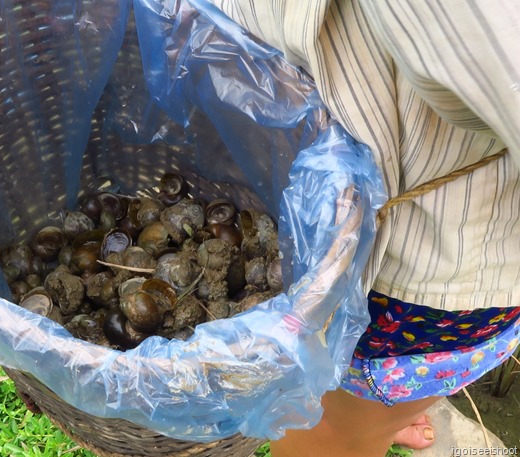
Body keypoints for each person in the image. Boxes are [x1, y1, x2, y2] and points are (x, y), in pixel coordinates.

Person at [206, 1, 520, 456]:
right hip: (317, 210)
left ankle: (365, 423)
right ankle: (382, 414)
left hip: (400, 280)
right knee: (361, 406)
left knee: (324, 428)